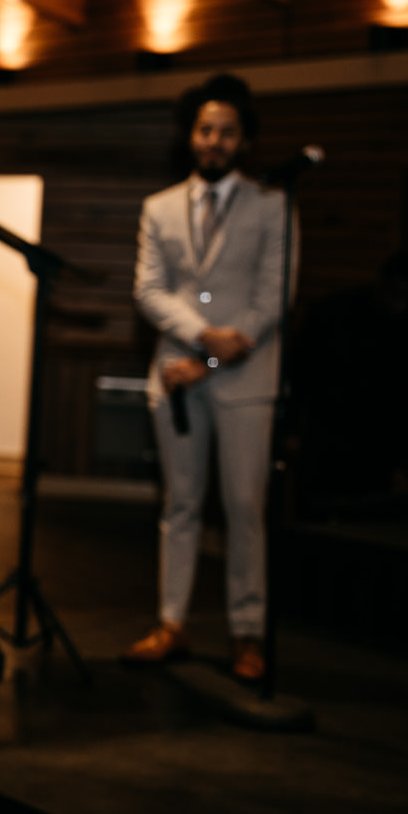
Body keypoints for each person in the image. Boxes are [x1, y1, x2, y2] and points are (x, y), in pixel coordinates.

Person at [124, 74, 289, 684]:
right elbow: (147, 289)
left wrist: (218, 354)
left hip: (245, 380)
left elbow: (274, 298)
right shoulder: (159, 207)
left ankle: (248, 632)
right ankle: (172, 622)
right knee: (181, 505)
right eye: (204, 129)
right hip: (176, 376)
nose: (213, 141)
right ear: (190, 135)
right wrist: (200, 339)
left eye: (226, 131)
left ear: (244, 141)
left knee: (245, 507)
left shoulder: (273, 206)